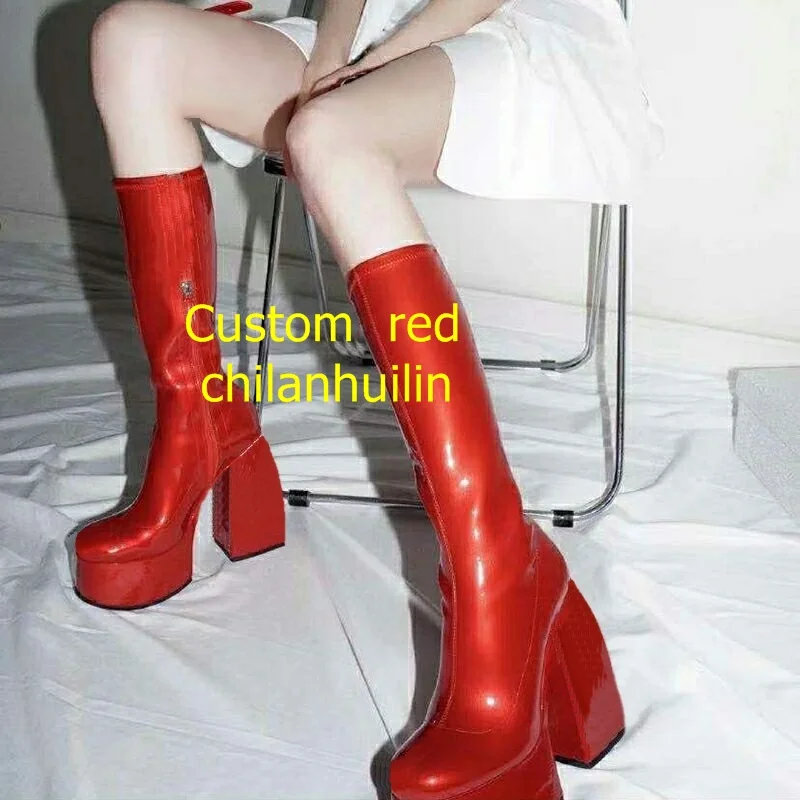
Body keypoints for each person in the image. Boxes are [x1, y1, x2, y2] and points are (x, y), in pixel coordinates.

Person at [73, 1, 660, 797]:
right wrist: (334, 53)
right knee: (132, 41)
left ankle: (500, 575)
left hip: (514, 32)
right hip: (367, 35)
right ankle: (198, 428)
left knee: (331, 135)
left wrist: (385, 58)